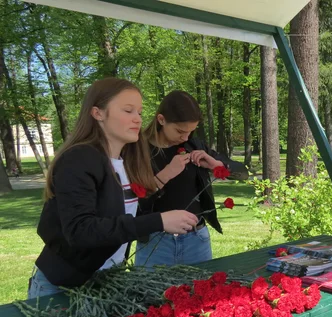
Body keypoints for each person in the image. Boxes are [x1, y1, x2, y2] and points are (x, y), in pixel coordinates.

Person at [29, 78, 199, 299]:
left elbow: (129, 213)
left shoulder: (127, 161)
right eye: (128, 110)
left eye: (139, 112)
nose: (137, 119)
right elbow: (80, 230)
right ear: (98, 113)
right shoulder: (80, 158)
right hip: (63, 286)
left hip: (107, 281)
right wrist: (159, 221)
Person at [136, 90, 248, 268]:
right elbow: (133, 200)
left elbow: (242, 173)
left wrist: (216, 165)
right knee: (150, 295)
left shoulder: (193, 145)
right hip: (154, 243)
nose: (185, 137)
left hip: (196, 241)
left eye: (190, 131)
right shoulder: (139, 149)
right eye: (180, 131)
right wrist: (166, 174)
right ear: (161, 120)